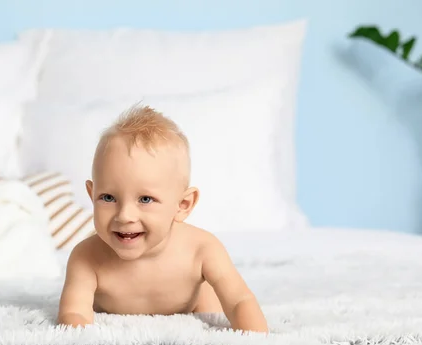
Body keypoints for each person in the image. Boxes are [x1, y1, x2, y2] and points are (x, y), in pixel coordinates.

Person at [56, 105, 268, 333]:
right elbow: (73, 313)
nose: (125, 215)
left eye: (145, 199)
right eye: (108, 197)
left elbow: (239, 301)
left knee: (210, 305)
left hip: (194, 309)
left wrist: (255, 344)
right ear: (91, 194)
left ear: (183, 205)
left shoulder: (202, 250)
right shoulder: (87, 258)